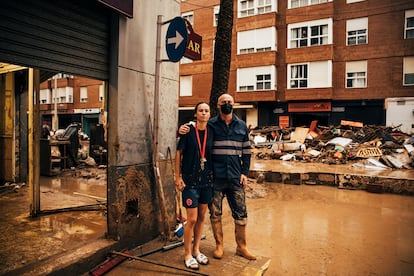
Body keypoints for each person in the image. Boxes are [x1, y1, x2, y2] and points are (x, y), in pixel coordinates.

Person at [179, 93, 256, 260]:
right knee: (215, 214)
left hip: (236, 177)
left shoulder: (242, 126)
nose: (226, 104)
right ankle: (219, 246)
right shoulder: (211, 125)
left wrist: (245, 172)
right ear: (218, 105)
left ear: (234, 104)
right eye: (223, 102)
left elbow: (247, 152)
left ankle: (242, 247)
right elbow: (197, 128)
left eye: (229, 102)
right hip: (215, 178)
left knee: (241, 214)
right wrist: (183, 128)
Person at [175, 102, 214, 270]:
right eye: (201, 111)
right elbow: (178, 153)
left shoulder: (213, 131)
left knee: (201, 217)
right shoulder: (188, 131)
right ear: (195, 114)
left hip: (206, 181)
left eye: (206, 111)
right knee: (191, 219)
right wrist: (177, 177)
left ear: (210, 114)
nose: (204, 113)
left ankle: (197, 250)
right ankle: (187, 254)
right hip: (190, 181)